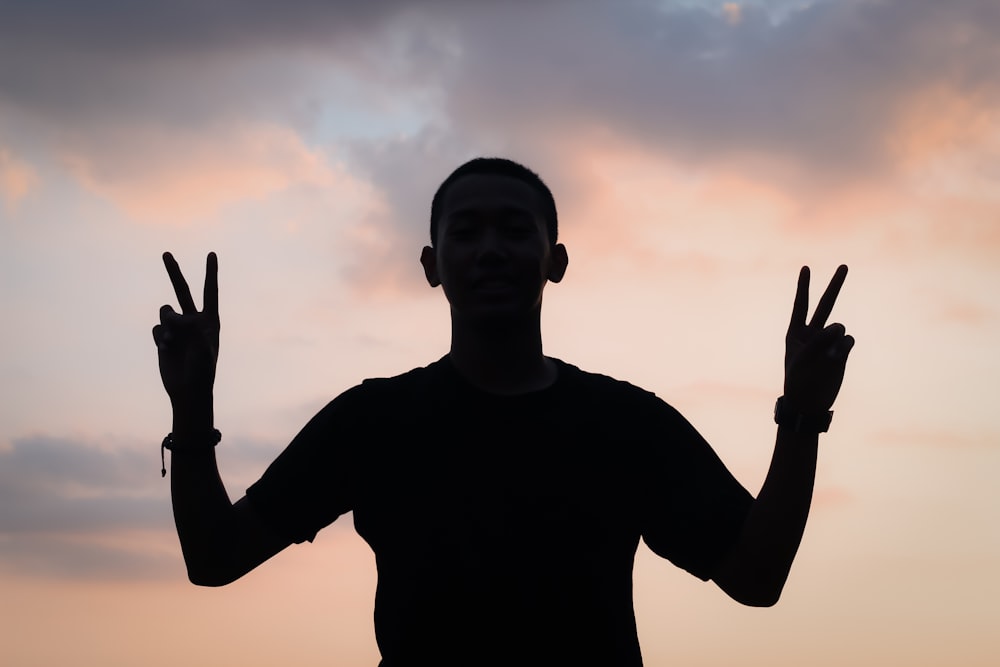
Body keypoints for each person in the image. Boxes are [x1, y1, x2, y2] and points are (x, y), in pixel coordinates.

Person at [153, 157, 854, 666]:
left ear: (556, 260)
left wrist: (801, 415)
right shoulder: (374, 421)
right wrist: (191, 409)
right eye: (467, 232)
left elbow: (756, 576)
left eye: (515, 230)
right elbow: (216, 557)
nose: (491, 249)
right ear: (432, 264)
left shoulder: (626, 424)